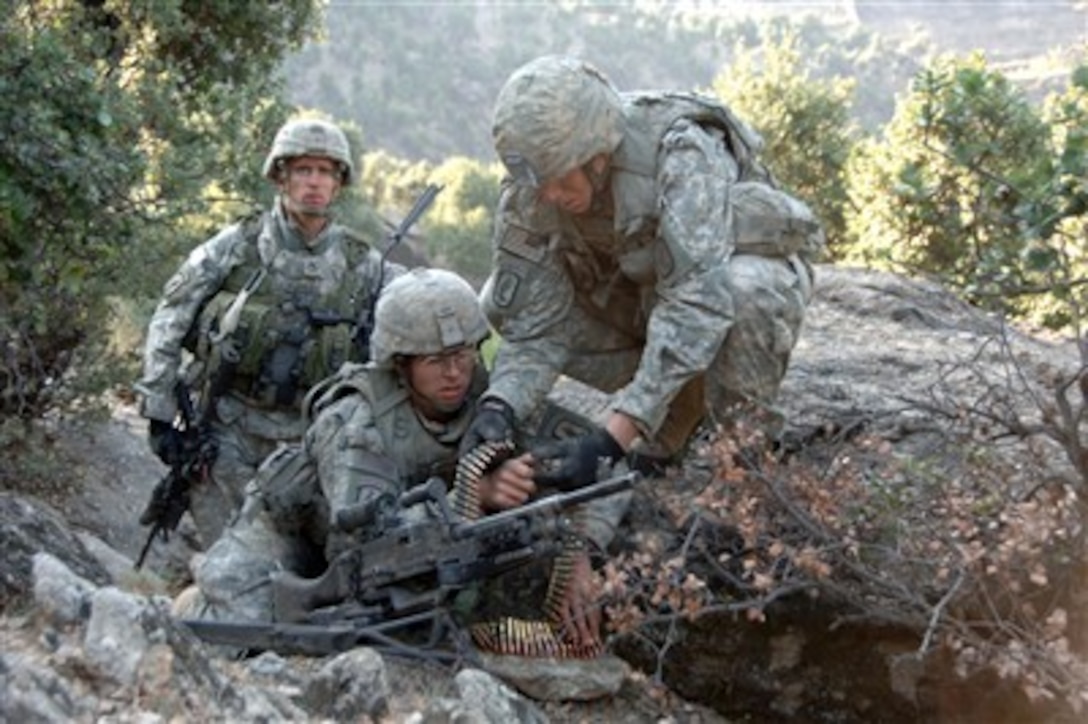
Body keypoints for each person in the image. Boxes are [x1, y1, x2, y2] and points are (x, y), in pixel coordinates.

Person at [177, 268, 606, 654]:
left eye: (463, 355)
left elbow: (598, 461)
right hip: (296, 536)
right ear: (400, 365)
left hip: (416, 545)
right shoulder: (355, 422)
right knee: (230, 636)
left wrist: (581, 554)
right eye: (436, 361)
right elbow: (362, 546)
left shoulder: (490, 398)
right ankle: (193, 594)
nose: (455, 373)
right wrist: (478, 493)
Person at [463, 55, 825, 487]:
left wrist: (613, 437)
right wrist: (499, 407)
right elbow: (533, 325)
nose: (551, 196)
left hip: (710, 291)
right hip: (639, 300)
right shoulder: (533, 195)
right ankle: (673, 420)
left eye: (560, 180)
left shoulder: (682, 151)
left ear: (597, 156)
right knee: (500, 303)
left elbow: (697, 304)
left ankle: (744, 457)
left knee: (746, 292)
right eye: (540, 183)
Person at [135, 118, 403, 548]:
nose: (314, 182)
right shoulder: (237, 246)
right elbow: (171, 317)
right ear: (281, 176)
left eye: (325, 172)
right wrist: (159, 410)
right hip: (226, 433)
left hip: (310, 443)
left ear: (339, 184)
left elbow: (405, 329)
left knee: (306, 561)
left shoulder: (364, 265)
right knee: (226, 558)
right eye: (303, 170)